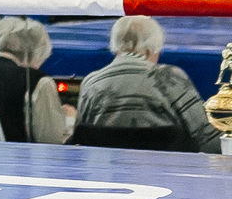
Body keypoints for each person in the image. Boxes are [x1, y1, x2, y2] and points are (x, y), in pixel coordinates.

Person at [75, 15, 223, 153]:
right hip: (166, 169)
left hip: (106, 169)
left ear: (115, 46)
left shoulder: (91, 82)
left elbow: (81, 137)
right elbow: (207, 138)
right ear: (151, 48)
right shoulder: (169, 78)